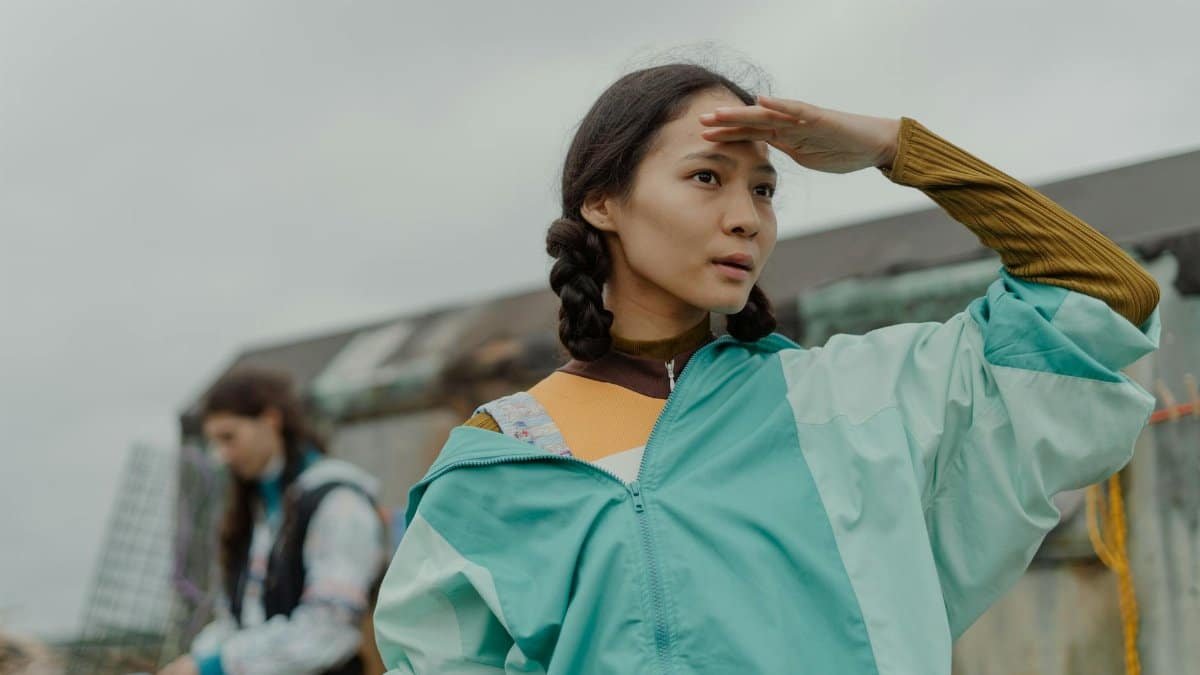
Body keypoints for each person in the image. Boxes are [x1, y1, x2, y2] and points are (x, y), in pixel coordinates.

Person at [372, 63, 1161, 673]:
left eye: (765, 188)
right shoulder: (495, 468)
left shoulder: (853, 403)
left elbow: (1105, 294)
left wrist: (899, 148)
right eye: (707, 177)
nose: (746, 216)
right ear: (603, 202)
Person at [160, 368, 387, 675]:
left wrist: (217, 665)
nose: (222, 455)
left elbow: (328, 629)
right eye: (214, 442)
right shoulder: (256, 511)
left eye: (229, 437)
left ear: (270, 420)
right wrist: (191, 663)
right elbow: (238, 623)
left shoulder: (338, 502)